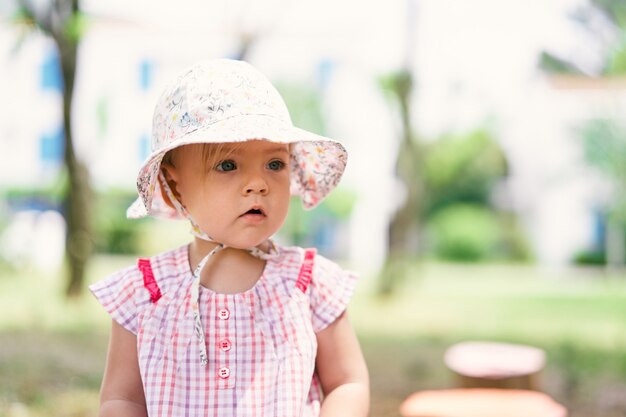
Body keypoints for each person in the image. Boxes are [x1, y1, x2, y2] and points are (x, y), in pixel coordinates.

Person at [89, 58, 369, 417]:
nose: (258, 183)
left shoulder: (308, 283)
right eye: (227, 165)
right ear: (175, 183)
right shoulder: (147, 292)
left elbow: (347, 382)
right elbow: (121, 399)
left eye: (274, 164)